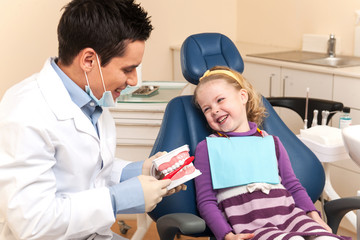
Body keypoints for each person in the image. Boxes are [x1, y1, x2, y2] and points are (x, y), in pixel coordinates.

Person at [0, 0, 184, 239]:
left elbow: (89, 168)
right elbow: (34, 223)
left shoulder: (91, 99)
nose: (134, 81)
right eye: (128, 69)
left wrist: (140, 170)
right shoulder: (26, 111)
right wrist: (118, 199)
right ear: (89, 60)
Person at [193, 66, 350, 240]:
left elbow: (292, 185)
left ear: (242, 96)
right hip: (251, 226)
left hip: (291, 217)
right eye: (206, 108)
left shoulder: (270, 142)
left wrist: (314, 216)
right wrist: (227, 235)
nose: (214, 110)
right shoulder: (208, 148)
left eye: (220, 100)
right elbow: (206, 201)